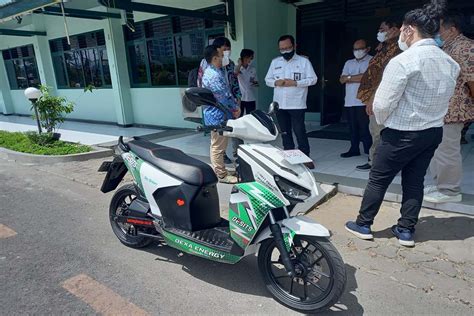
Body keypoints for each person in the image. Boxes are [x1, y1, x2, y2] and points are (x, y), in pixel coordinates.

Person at [345, 0, 460, 247]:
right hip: (432, 132)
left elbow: (382, 105)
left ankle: (364, 224)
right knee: (415, 181)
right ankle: (406, 230)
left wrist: (387, 124)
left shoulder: (403, 61)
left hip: (401, 132)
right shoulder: (449, 62)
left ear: (408, 30)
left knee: (378, 178)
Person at [424, 12, 474, 204]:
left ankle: (450, 190)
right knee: (437, 149)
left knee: (447, 150)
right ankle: (439, 185)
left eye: (441, 29)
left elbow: (472, 81)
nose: (438, 34)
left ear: (452, 29)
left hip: (454, 109)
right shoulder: (447, 47)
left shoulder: (466, 47)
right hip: (441, 109)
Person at [265, 35, 317, 169]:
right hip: (280, 104)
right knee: (285, 132)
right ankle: (290, 156)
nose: (285, 51)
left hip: (297, 103)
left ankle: (305, 157)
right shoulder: (275, 62)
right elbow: (267, 80)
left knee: (299, 131)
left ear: (294, 46)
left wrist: (295, 83)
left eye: (288, 48)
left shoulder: (304, 62)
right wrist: (275, 82)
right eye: (282, 49)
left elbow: (313, 79)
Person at [356, 19, 402, 170]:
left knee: (380, 132)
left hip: (382, 97)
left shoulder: (396, 49)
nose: (379, 32)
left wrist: (372, 99)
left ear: (394, 29)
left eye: (383, 29)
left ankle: (379, 163)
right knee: (376, 131)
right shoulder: (384, 47)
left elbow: (384, 77)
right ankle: (374, 160)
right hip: (377, 95)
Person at [198, 37, 242, 164]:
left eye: (229, 49)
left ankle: (237, 155)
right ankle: (221, 169)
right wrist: (233, 107)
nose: (227, 52)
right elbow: (212, 90)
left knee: (231, 134)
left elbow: (234, 83)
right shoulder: (208, 66)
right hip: (218, 107)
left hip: (228, 105)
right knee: (218, 142)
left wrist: (237, 100)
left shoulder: (230, 63)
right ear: (216, 53)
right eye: (224, 50)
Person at [340, 39, 373, 158]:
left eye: (360, 49)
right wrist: (355, 77)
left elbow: (367, 78)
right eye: (355, 49)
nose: (357, 51)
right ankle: (354, 149)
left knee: (365, 128)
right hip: (349, 100)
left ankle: (369, 151)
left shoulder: (372, 60)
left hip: (364, 101)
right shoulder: (349, 62)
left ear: (367, 48)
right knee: (352, 127)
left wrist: (349, 78)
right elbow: (342, 79)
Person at [235, 49, 258, 116]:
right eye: (249, 58)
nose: (250, 60)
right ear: (244, 57)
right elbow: (235, 74)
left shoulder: (253, 69)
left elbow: (256, 84)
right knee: (239, 117)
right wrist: (239, 64)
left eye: (251, 58)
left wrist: (253, 82)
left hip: (250, 97)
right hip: (240, 98)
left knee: (251, 117)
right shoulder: (237, 68)